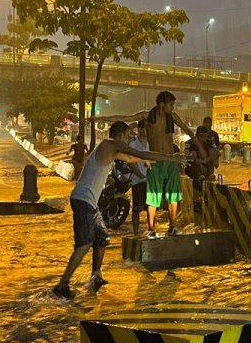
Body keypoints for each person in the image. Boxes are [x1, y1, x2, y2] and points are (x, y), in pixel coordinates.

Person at [52, 121, 187, 299]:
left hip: (89, 202)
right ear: (121, 135)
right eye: (128, 135)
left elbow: (132, 158)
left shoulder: (111, 150)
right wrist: (171, 158)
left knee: (101, 239)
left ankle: (96, 276)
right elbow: (138, 153)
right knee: (84, 243)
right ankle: (62, 285)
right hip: (83, 200)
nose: (130, 138)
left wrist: (148, 160)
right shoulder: (109, 144)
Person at [143, 91, 207, 238]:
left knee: (173, 194)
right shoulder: (148, 117)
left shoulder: (172, 117)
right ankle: (151, 229)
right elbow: (125, 118)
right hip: (155, 161)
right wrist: (99, 119)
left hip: (171, 160)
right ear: (161, 104)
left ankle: (172, 226)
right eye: (171, 105)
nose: (173, 107)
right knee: (153, 196)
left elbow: (188, 131)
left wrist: (201, 148)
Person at [128, 119, 150, 235]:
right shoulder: (133, 144)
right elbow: (131, 162)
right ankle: (136, 232)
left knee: (151, 207)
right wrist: (140, 174)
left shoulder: (151, 143)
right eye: (145, 128)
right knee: (136, 209)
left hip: (150, 180)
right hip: (138, 181)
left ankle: (151, 229)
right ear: (140, 129)